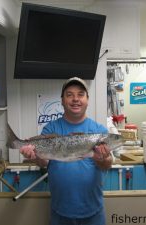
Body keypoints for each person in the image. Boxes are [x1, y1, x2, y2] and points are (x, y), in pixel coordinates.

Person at [20, 77, 113, 225]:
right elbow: (44, 162)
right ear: (62, 100)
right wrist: (33, 156)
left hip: (93, 211)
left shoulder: (99, 131)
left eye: (80, 94)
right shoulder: (51, 128)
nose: (75, 99)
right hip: (60, 212)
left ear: (87, 100)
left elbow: (107, 165)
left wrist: (102, 159)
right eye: (69, 95)